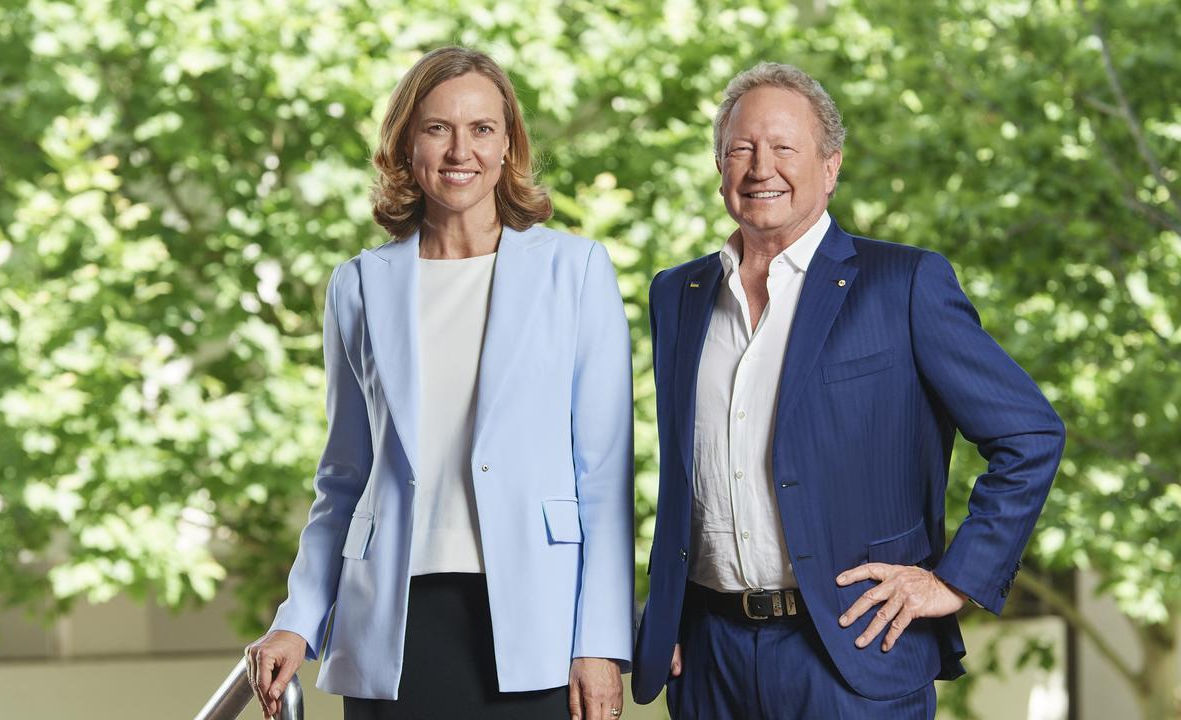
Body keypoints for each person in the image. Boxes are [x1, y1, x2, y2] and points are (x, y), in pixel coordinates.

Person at [631, 61, 1065, 718]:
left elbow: (1029, 433)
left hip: (852, 657)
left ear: (829, 168)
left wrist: (954, 581)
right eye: (741, 149)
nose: (760, 167)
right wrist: (663, 610)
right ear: (719, 167)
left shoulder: (904, 286)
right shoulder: (678, 295)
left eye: (784, 148)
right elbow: (683, 474)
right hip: (708, 658)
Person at [243, 47, 634, 720]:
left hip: (534, 623)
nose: (461, 150)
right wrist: (298, 616)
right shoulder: (359, 286)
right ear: (406, 145)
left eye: (482, 128)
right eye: (437, 128)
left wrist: (599, 641)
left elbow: (603, 478)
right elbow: (343, 478)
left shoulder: (576, 272)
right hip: (390, 630)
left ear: (508, 143)